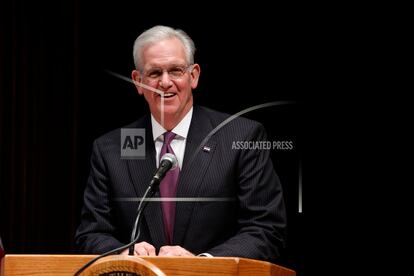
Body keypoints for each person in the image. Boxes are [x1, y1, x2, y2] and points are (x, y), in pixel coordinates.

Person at [75, 25, 287, 262]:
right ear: (138, 81)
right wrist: (123, 253)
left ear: (193, 75)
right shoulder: (111, 149)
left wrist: (202, 264)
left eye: (176, 70)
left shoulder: (241, 137)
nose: (165, 83)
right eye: (154, 73)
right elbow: (92, 233)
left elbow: (266, 229)